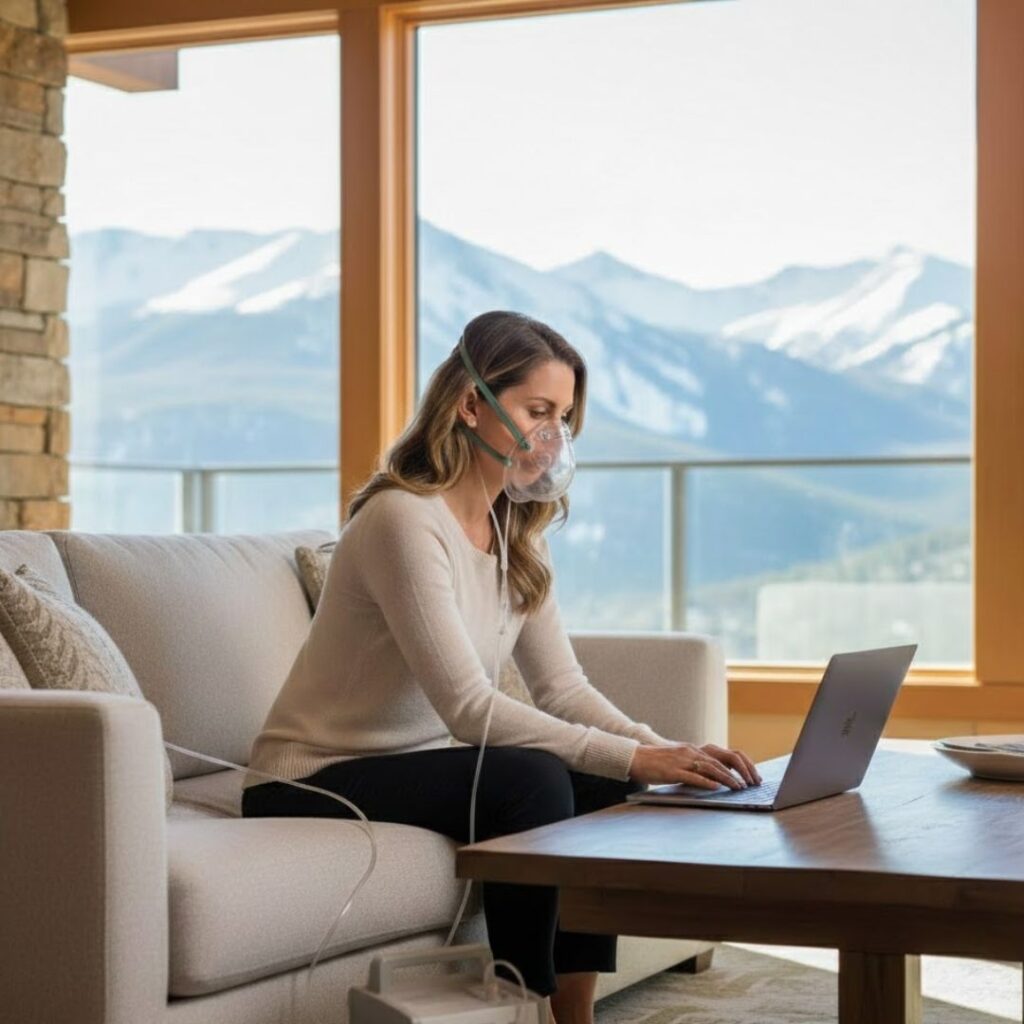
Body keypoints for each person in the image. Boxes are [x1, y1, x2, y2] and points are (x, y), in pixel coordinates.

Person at [242, 310, 761, 1024]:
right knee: (534, 778)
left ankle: (571, 1018)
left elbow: (562, 687)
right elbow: (468, 707)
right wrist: (636, 756)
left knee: (598, 781)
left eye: (565, 420)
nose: (553, 439)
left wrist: (658, 750)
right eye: (537, 411)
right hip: (310, 775)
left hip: (414, 762)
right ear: (469, 404)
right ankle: (524, 1007)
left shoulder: (518, 532)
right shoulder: (403, 519)